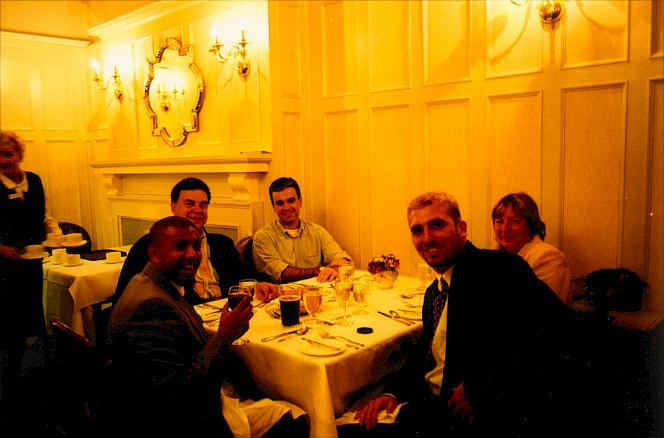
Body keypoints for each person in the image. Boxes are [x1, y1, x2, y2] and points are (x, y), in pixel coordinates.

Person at [349, 192, 578, 438]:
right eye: (417, 230)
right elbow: (425, 350)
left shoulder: (501, 269)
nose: (427, 238)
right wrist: (391, 392)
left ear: (462, 229)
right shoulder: (434, 292)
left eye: (437, 225)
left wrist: (479, 388)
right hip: (426, 402)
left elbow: (553, 337)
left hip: (474, 416)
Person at [102, 216, 306, 436]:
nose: (192, 255)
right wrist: (224, 336)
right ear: (154, 254)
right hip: (178, 421)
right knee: (297, 415)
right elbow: (179, 393)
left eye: (196, 246)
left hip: (186, 406)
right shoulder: (152, 306)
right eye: (180, 246)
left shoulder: (154, 283)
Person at [113, 177, 278, 305]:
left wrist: (258, 285)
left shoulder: (223, 243)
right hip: (184, 319)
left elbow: (243, 279)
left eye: (203, 205)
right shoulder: (152, 245)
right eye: (189, 204)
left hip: (224, 313)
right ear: (173, 207)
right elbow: (126, 297)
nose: (197, 210)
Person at [0, 130, 61, 427]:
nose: (4, 160)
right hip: (4, 268)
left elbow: (45, 216)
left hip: (33, 262)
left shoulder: (33, 180)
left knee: (35, 318)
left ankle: (39, 380)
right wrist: (1, 248)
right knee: (10, 327)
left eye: (8, 153)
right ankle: (9, 392)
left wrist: (56, 234)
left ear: (20, 155)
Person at [252, 177, 352, 283]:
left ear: (300, 201)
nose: (286, 207)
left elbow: (344, 260)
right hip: (281, 292)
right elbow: (283, 273)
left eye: (291, 200)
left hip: (317, 291)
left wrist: (335, 269)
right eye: (280, 203)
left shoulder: (317, 232)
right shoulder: (263, 237)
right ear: (273, 207)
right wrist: (321, 270)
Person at [492, 192, 571, 303]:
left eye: (515, 221)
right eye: (499, 222)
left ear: (531, 225)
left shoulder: (549, 257)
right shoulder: (494, 258)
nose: (505, 229)